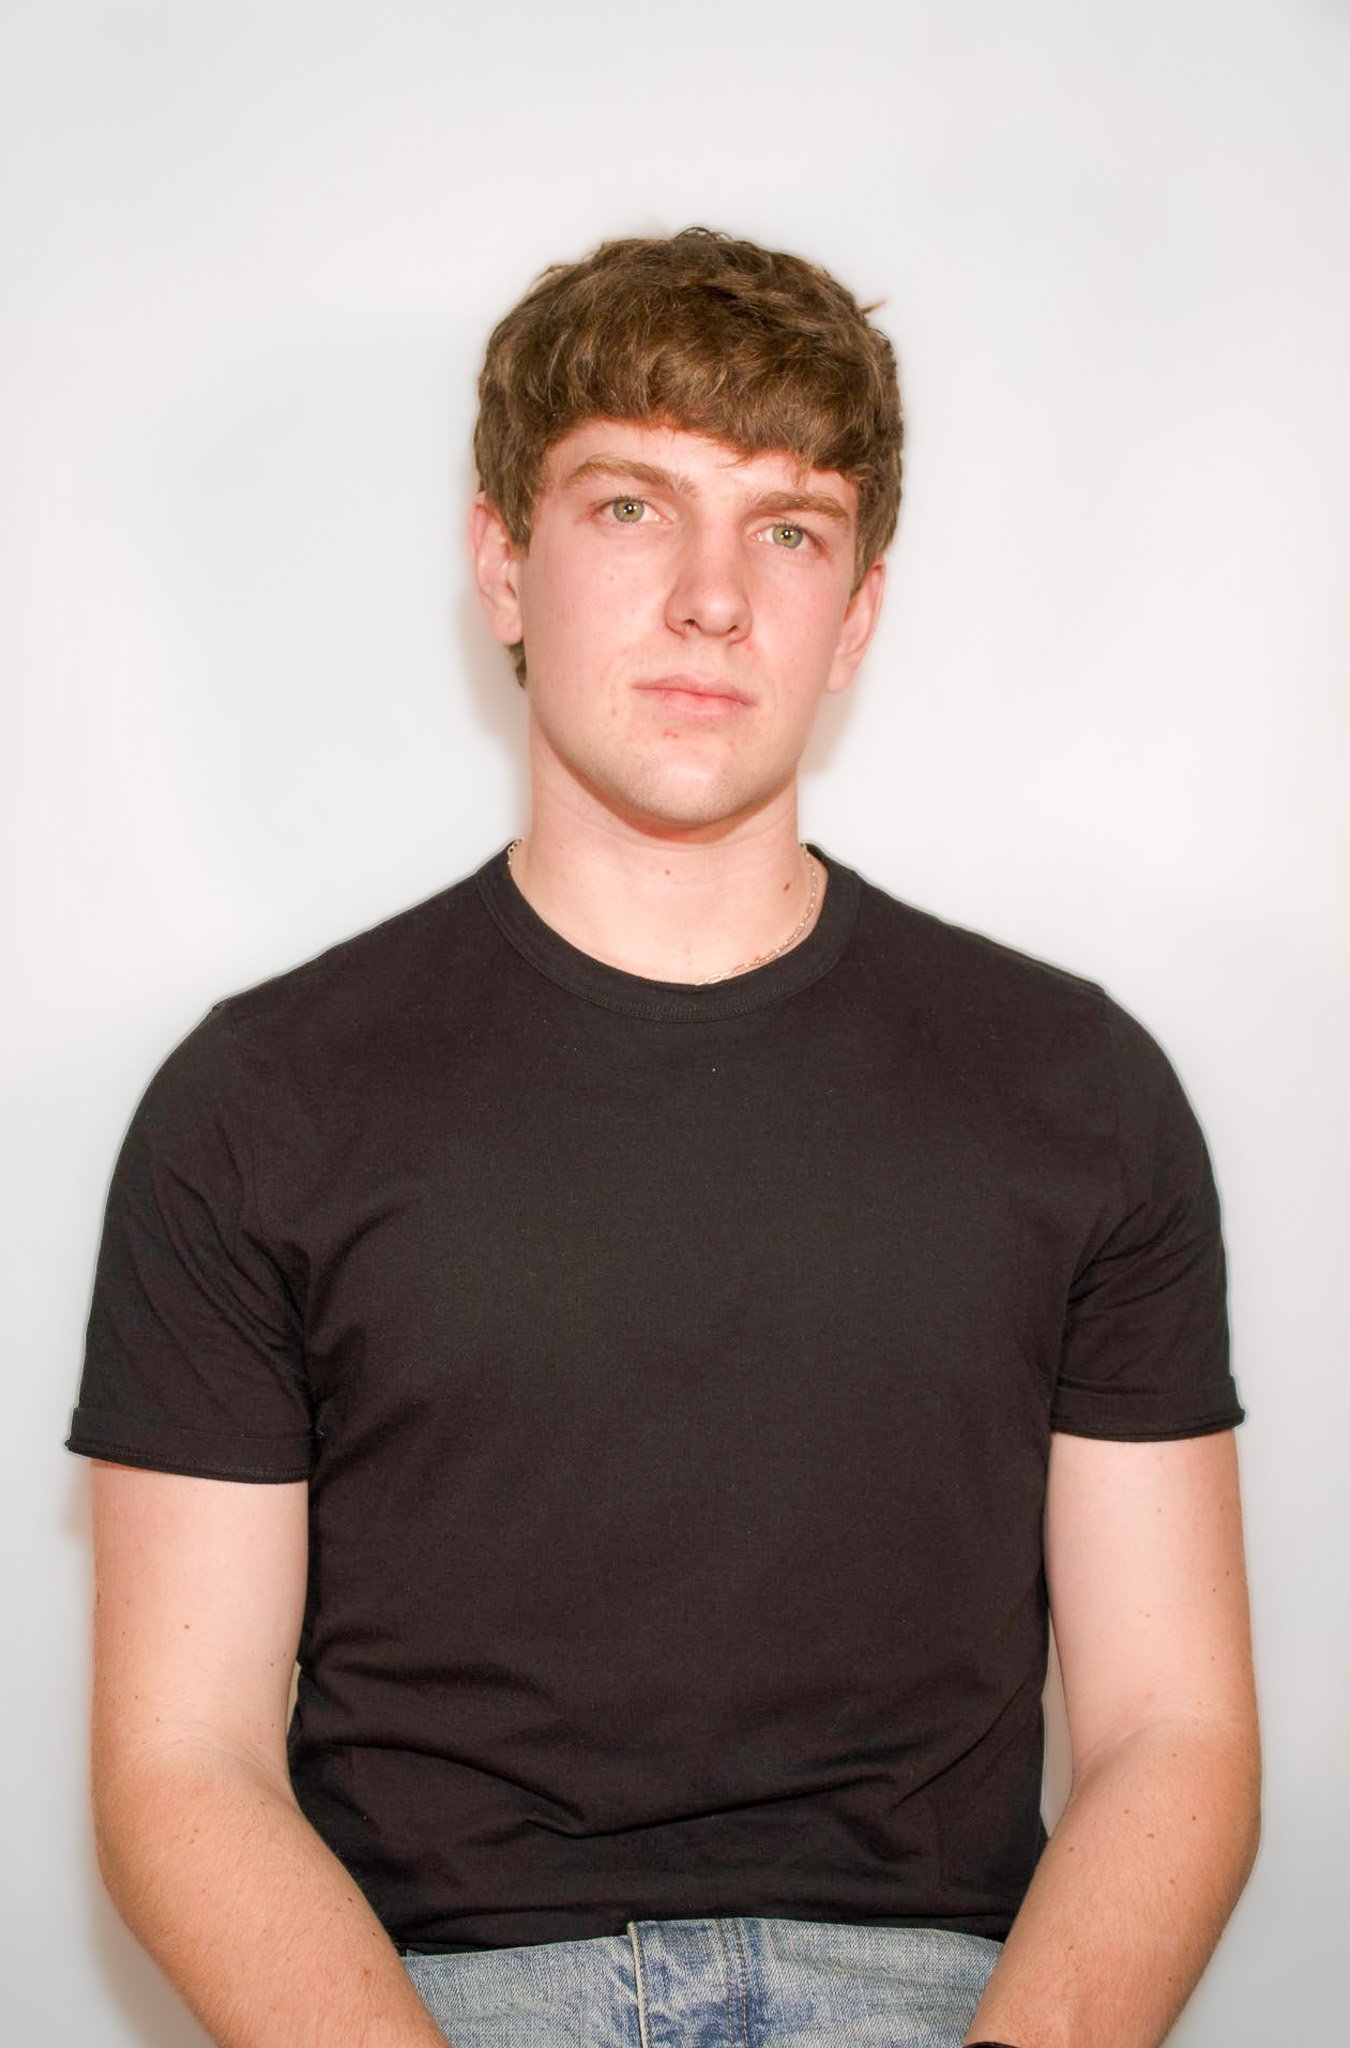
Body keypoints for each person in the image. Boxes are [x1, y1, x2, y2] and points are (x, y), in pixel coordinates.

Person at [68, 228, 1260, 2048]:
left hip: (944, 2000)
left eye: (785, 529)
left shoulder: (1076, 1090)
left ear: (853, 610)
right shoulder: (256, 1107)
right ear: (502, 561)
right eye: (631, 507)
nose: (714, 597)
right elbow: (182, 1769)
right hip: (431, 2001)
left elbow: (1174, 1735)